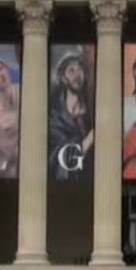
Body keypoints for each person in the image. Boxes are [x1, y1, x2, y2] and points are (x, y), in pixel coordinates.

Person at [48, 52, 94, 181]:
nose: (77, 75)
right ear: (63, 78)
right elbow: (63, 157)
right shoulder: (54, 115)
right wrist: (92, 136)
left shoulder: (91, 107)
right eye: (71, 71)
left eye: (80, 69)